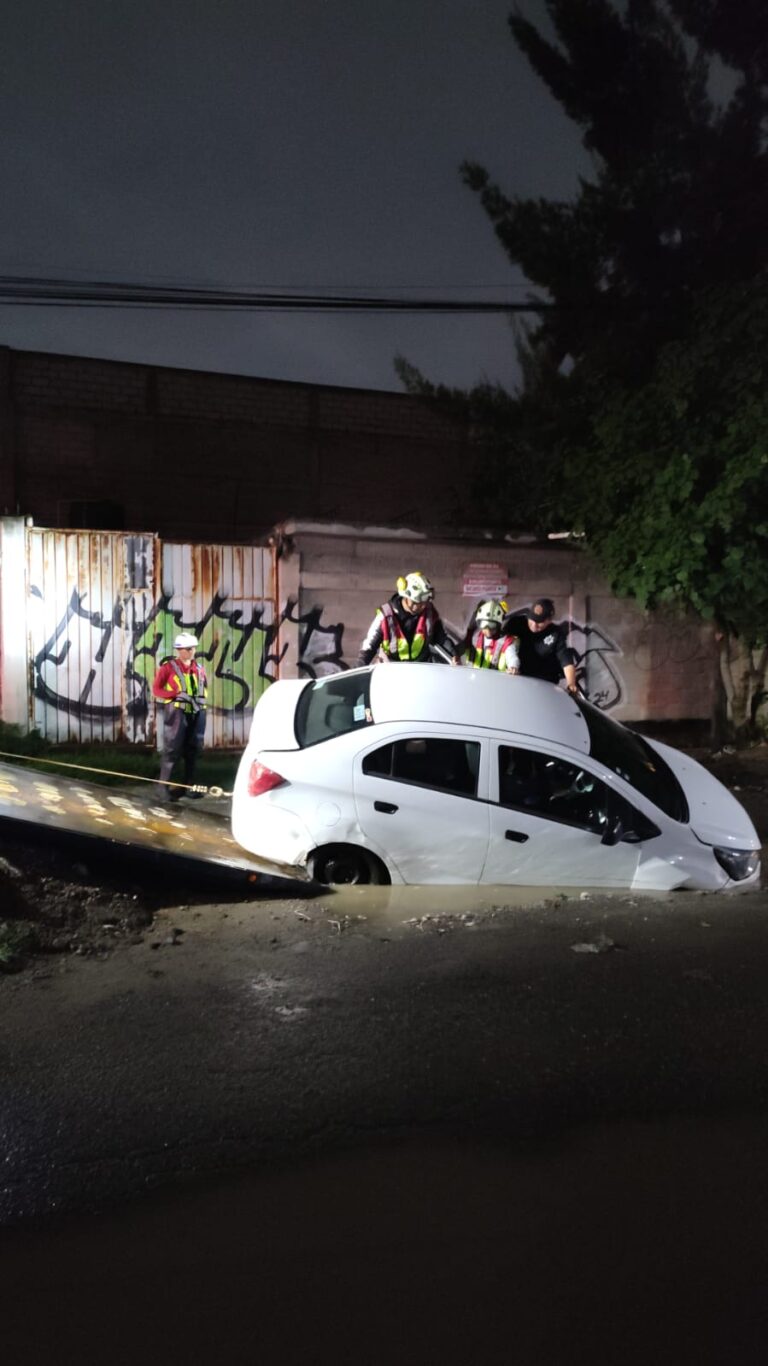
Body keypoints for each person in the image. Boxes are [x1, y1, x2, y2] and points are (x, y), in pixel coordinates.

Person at [152, 631, 208, 800]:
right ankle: (162, 786)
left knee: (193, 750)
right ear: (179, 650)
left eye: (193, 648)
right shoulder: (168, 668)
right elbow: (156, 690)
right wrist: (173, 695)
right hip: (176, 712)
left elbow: (204, 687)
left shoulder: (199, 668)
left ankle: (188, 786)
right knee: (172, 749)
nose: (192, 652)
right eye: (188, 648)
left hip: (197, 712)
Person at [357, 571, 459, 665]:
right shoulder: (386, 617)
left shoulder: (429, 614)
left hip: (421, 670)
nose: (422, 606)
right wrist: (357, 671)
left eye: (424, 602)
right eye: (417, 602)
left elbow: (441, 638)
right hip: (392, 671)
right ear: (406, 597)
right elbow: (368, 648)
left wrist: (453, 655)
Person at [503, 597, 580, 695]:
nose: (534, 625)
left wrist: (571, 684)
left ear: (549, 621)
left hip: (544, 686)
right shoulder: (516, 624)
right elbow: (499, 642)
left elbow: (566, 662)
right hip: (517, 682)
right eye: (532, 619)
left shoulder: (556, 634)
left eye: (540, 622)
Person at [459, 600, 520, 672]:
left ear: (498, 625)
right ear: (479, 623)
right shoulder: (472, 636)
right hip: (471, 679)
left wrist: (513, 667)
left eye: (492, 626)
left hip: (495, 682)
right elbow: (459, 650)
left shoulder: (506, 641)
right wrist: (456, 659)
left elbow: (512, 657)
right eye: (484, 625)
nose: (488, 631)